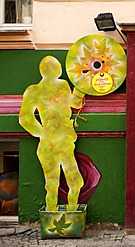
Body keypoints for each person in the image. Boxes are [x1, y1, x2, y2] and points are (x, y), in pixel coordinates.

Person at [19, 56, 84, 211]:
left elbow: (75, 103)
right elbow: (24, 117)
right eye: (54, 67)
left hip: (66, 142)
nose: (56, 69)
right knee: (52, 183)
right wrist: (43, 133)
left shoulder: (62, 85)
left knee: (75, 182)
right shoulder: (34, 91)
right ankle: (52, 216)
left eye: (56, 66)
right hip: (48, 145)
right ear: (44, 70)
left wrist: (81, 87)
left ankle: (72, 213)